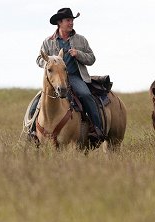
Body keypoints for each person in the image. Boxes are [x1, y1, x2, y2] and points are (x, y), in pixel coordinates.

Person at [36, 8, 104, 139]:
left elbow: (91, 58)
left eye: (72, 20)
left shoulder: (81, 40)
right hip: (53, 79)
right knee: (39, 101)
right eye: (68, 20)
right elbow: (39, 59)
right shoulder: (48, 41)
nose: (71, 23)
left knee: (85, 95)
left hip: (74, 77)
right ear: (59, 22)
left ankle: (97, 128)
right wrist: (50, 63)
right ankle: (32, 130)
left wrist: (78, 54)